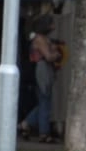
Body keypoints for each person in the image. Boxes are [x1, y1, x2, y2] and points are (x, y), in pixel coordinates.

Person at [20, 12, 63, 143]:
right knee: (45, 99)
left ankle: (26, 123)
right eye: (51, 23)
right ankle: (43, 133)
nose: (53, 26)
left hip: (45, 69)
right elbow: (49, 56)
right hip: (42, 69)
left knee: (44, 101)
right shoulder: (40, 39)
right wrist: (56, 53)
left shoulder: (43, 39)